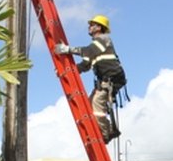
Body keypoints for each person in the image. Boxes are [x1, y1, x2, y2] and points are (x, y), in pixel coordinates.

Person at [54, 15, 127, 144]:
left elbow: (88, 51)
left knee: (96, 109)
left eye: (92, 25)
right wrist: (64, 71)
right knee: (87, 107)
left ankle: (106, 134)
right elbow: (85, 65)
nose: (89, 27)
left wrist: (67, 49)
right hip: (105, 81)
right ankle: (107, 129)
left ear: (99, 27)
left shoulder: (104, 40)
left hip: (110, 81)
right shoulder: (96, 47)